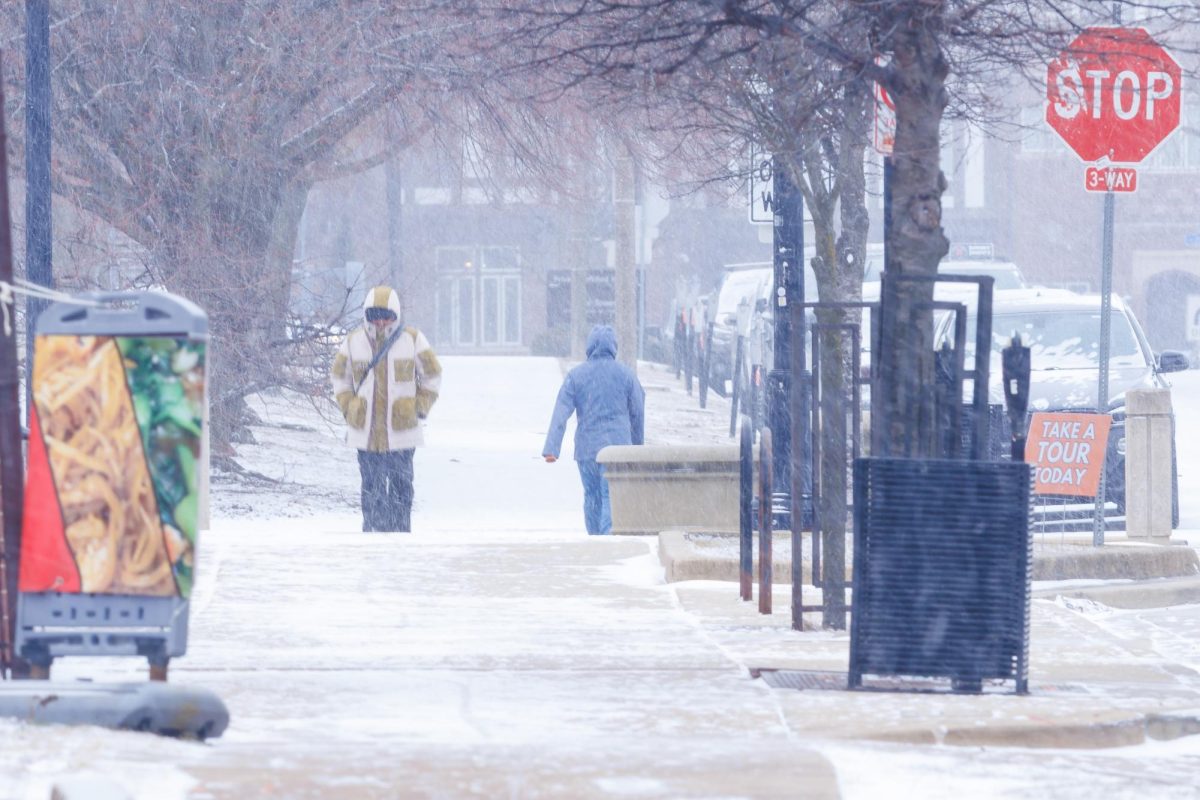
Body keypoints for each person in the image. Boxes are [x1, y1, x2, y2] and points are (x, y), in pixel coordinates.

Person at [330, 286, 441, 532]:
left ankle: (400, 531)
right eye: (375, 315)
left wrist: (419, 406)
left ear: (396, 315)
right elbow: (340, 377)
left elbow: (432, 374)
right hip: (365, 431)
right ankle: (373, 531)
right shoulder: (353, 342)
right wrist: (349, 407)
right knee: (371, 486)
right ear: (367, 315)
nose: (380, 321)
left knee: (402, 485)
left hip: (403, 431)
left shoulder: (412, 339)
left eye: (386, 315)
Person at [542, 325, 645, 534]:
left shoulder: (576, 376)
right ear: (613, 347)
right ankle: (607, 536)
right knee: (610, 495)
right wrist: (637, 447)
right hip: (617, 450)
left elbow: (560, 412)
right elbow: (638, 412)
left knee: (591, 495)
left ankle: (595, 537)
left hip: (587, 450)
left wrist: (552, 448)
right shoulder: (626, 375)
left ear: (589, 347)